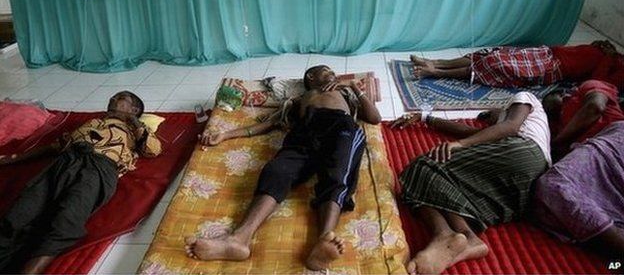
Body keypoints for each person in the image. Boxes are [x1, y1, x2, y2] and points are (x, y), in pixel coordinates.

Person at [184, 65, 381, 271]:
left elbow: (374, 118)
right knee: (276, 170)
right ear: (310, 77)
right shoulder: (298, 100)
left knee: (338, 174)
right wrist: (225, 134)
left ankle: (323, 240)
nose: (331, 72)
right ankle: (239, 239)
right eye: (325, 70)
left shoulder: (343, 92)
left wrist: (352, 86)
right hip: (305, 131)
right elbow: (269, 124)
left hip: (341, 127)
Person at [0, 91, 162, 274]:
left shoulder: (134, 129)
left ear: (135, 109)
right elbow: (55, 146)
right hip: (65, 161)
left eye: (120, 98)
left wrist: (131, 119)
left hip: (100, 167)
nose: (112, 99)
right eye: (112, 97)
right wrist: (14, 158)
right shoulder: (92, 122)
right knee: (19, 213)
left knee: (67, 220)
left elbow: (153, 149)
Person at [391, 91, 551, 274]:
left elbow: (510, 126)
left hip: (522, 151)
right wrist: (425, 117)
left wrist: (460, 144)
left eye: (489, 116)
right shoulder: (500, 130)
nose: (487, 119)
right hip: (527, 186)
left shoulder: (524, 98)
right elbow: (470, 131)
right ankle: (468, 238)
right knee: (448, 189)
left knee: (423, 166)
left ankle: (443, 233)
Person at [533, 80, 624, 257]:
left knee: (555, 185)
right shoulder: (559, 127)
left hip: (613, 140)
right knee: (548, 210)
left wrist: (558, 141)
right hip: (598, 161)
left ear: (565, 94)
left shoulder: (588, 87)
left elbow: (595, 107)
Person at [410, 41, 624, 90]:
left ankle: (435, 67)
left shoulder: (598, 50)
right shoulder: (606, 58)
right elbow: (599, 83)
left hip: (544, 53)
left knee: (492, 56)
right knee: (494, 60)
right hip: (548, 62)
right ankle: (434, 67)